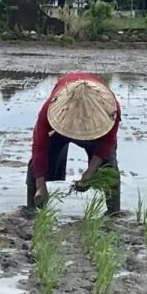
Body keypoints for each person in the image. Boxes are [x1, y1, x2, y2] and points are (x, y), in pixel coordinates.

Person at [25, 72, 122, 214]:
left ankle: (113, 213)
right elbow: (40, 147)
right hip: (61, 127)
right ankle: (31, 210)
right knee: (36, 166)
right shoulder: (50, 110)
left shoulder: (110, 110)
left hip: (94, 130)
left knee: (109, 167)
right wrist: (41, 186)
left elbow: (106, 145)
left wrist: (90, 173)